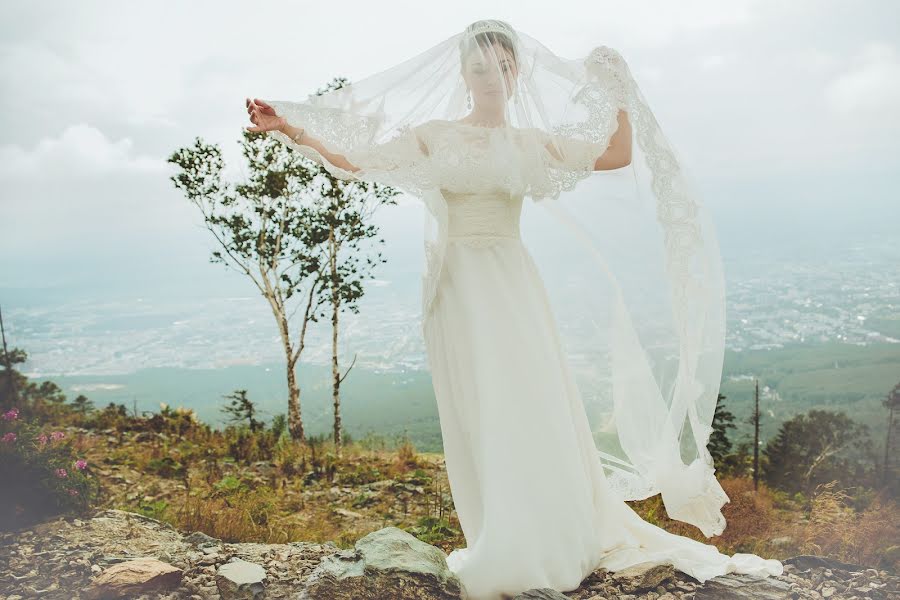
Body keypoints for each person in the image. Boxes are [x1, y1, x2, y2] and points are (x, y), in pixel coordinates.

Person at [245, 18, 784, 600]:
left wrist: (620, 92)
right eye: (480, 67)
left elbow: (617, 154)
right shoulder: (434, 135)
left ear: (515, 71)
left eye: (502, 66)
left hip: (509, 283)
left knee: (526, 400)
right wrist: (291, 129)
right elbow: (357, 160)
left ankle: (544, 539)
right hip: (455, 289)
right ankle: (498, 533)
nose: (492, 77)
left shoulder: (529, 143)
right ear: (464, 74)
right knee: (478, 409)